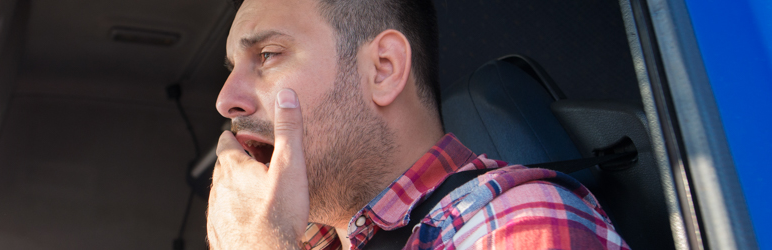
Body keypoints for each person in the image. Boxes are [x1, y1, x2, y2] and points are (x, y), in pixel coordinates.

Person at [205, 0, 629, 249]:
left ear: (384, 69)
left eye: (267, 55)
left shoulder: (518, 222)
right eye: (232, 68)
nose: (227, 100)